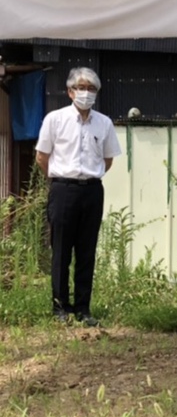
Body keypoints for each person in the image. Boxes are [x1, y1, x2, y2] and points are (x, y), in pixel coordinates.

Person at [35, 67, 121, 326]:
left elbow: (108, 160)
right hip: (63, 189)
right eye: (81, 88)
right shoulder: (55, 119)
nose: (86, 93)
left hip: (92, 190)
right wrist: (61, 179)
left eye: (91, 89)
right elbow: (42, 156)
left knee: (87, 250)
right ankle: (60, 307)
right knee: (61, 249)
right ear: (70, 91)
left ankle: (83, 308)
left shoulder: (103, 123)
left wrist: (88, 177)